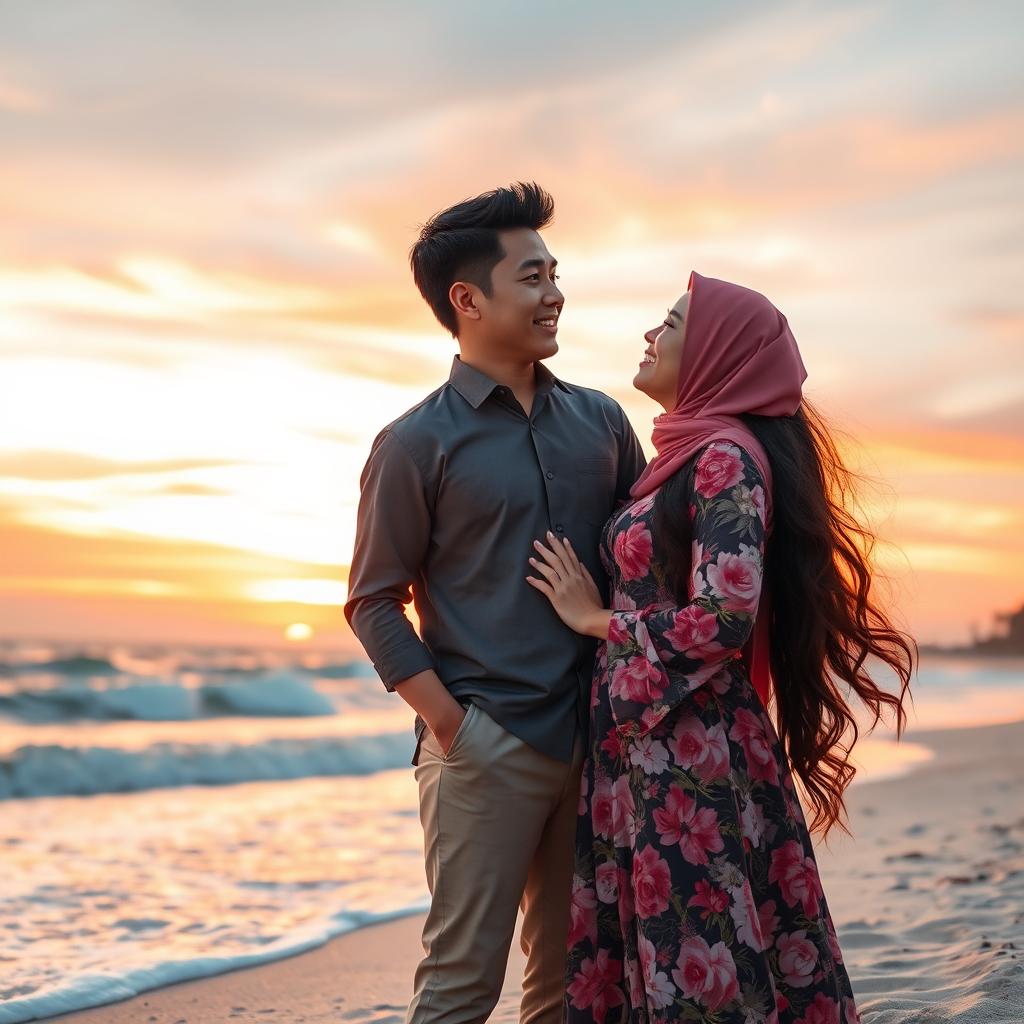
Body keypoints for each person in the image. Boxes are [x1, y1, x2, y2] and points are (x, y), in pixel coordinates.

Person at [526, 272, 916, 1022]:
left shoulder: (722, 459)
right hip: (642, 741)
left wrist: (595, 618)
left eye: (669, 324)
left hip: (688, 746)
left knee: (693, 952)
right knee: (667, 946)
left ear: (714, 354)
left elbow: (725, 617)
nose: (650, 335)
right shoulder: (680, 458)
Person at [344, 182, 647, 1024]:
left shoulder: (602, 423)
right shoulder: (415, 443)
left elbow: (643, 562)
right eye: (531, 277)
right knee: (459, 988)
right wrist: (453, 726)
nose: (553, 294)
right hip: (486, 746)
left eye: (556, 274)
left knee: (571, 987)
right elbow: (373, 602)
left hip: (596, 739)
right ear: (468, 300)